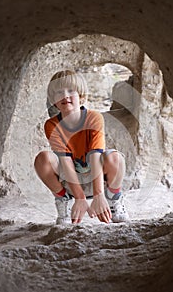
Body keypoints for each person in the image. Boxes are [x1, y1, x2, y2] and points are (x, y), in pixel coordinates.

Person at [34, 69, 129, 224]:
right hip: (71, 183)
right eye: (59, 92)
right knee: (43, 159)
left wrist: (98, 195)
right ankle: (62, 199)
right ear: (53, 99)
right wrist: (80, 197)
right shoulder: (52, 125)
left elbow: (95, 156)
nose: (65, 95)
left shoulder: (93, 118)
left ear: (81, 96)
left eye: (71, 90)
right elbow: (65, 162)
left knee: (115, 158)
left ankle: (113, 199)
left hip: (98, 180)